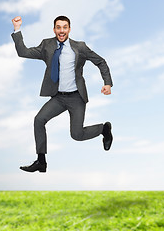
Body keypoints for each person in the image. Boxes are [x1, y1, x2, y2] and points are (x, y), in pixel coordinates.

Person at [11, 15, 113, 173]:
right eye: (58, 27)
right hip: (58, 97)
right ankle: (41, 161)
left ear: (69, 29)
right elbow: (23, 52)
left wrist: (107, 83)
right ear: (54, 30)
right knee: (39, 120)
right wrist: (17, 29)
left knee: (77, 135)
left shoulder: (80, 47)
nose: (61, 30)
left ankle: (104, 129)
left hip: (76, 97)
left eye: (64, 27)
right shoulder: (47, 45)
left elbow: (100, 61)